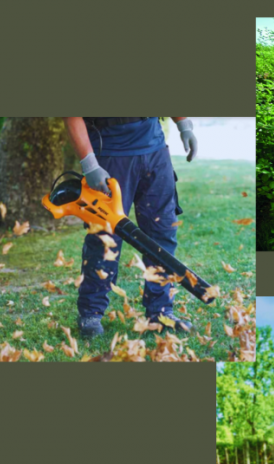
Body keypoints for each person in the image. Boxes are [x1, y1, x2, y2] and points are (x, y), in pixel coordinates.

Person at [63, 117, 198, 338]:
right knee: (104, 239)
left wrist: (184, 125)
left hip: (154, 151)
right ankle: (91, 312)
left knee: (161, 233)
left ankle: (161, 312)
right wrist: (89, 164)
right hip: (110, 153)